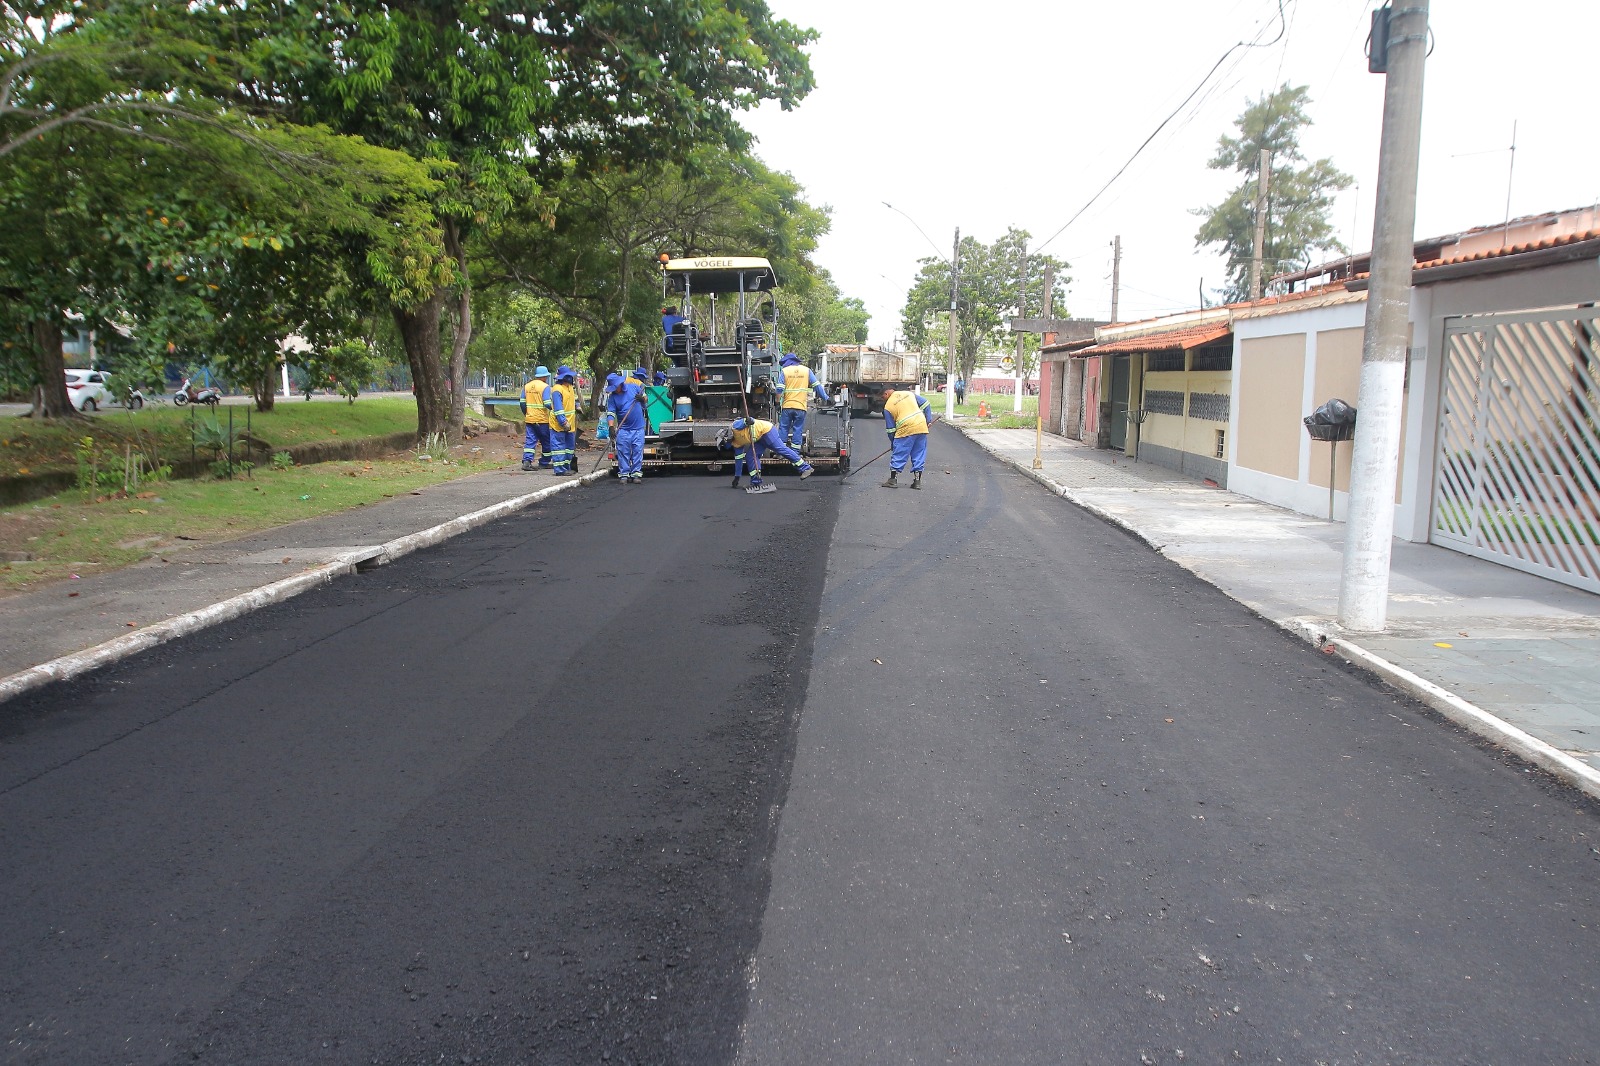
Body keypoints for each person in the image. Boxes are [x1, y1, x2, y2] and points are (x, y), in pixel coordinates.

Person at [728, 415, 815, 492]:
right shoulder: (736, 444)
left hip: (767, 431)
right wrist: (737, 477)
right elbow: (738, 460)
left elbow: (748, 420)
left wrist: (748, 421)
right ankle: (756, 482)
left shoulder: (735, 426)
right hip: (759, 439)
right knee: (750, 456)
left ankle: (806, 468)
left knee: (781, 450)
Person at [880, 386, 934, 489]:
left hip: (905, 429)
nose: (883, 400)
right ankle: (917, 482)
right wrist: (928, 420)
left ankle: (893, 480)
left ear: (886, 393)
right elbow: (926, 403)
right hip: (921, 426)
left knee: (899, 454)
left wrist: (893, 443)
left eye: (883, 397)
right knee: (919, 453)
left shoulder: (887, 407)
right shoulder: (908, 394)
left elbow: (891, 430)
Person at [775, 353, 830, 449]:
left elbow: (779, 389)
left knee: (783, 428)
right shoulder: (806, 371)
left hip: (787, 406)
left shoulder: (785, 371)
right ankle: (795, 452)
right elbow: (817, 386)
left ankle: (781, 452)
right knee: (798, 429)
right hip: (800, 407)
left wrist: (777, 402)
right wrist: (826, 398)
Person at [604, 372, 647, 483]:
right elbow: (611, 413)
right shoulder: (612, 398)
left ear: (620, 384)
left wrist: (642, 399)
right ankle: (624, 474)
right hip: (623, 429)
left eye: (615, 387)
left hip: (638, 428)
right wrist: (611, 427)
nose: (614, 389)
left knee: (637, 451)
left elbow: (645, 398)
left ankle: (636, 474)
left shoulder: (633, 388)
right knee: (623, 452)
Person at [520, 365, 553, 470]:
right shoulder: (545, 387)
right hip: (542, 420)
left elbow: (522, 403)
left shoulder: (527, 386)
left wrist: (526, 413)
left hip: (530, 419)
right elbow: (547, 403)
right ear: (544, 376)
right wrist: (555, 409)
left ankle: (527, 462)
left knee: (530, 440)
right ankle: (544, 462)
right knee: (546, 441)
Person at [547, 365, 578, 475]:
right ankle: (560, 470)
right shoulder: (557, 389)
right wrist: (563, 422)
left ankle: (566, 467)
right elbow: (558, 408)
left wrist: (577, 406)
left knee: (569, 448)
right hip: (558, 424)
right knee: (559, 447)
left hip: (570, 423)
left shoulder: (569, 387)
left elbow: (570, 400)